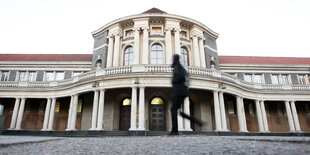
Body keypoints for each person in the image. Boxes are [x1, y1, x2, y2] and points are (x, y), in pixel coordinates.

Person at [169, 54, 202, 135]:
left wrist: (174, 80)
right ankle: (197, 121)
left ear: (174, 59)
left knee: (173, 110)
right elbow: (185, 76)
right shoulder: (179, 67)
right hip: (182, 92)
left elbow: (181, 77)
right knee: (178, 111)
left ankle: (174, 130)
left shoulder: (177, 66)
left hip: (179, 92)